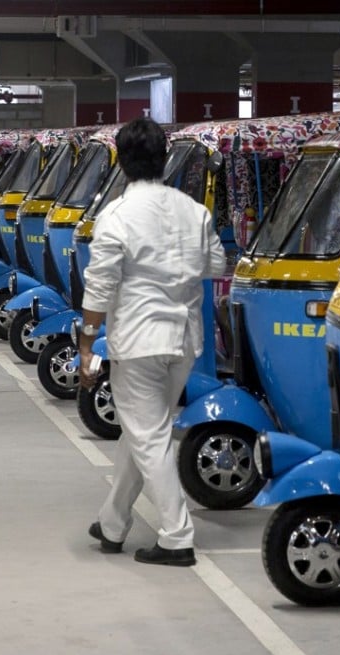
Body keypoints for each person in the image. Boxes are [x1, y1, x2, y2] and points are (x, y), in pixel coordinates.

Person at [79, 117, 226, 567]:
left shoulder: (116, 215)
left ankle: (177, 537)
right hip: (183, 339)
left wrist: (86, 344)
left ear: (120, 163)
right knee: (143, 430)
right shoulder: (193, 210)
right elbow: (217, 264)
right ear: (165, 159)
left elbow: (99, 285)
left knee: (149, 434)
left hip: (139, 341)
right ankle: (112, 522)